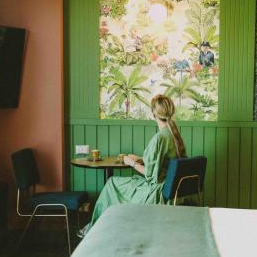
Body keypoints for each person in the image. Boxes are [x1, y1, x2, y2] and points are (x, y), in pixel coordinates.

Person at [79, 95, 187, 237]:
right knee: (117, 184)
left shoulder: (160, 138)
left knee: (111, 183)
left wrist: (131, 162)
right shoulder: (174, 134)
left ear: (153, 113)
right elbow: (164, 162)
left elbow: (150, 175)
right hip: (171, 189)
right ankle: (107, 227)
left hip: (156, 191)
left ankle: (95, 228)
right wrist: (141, 158)